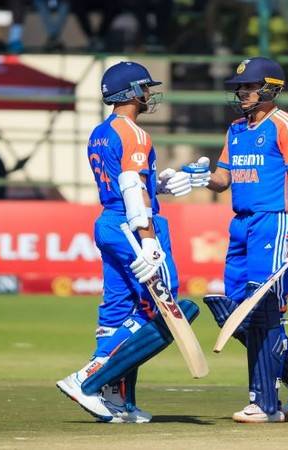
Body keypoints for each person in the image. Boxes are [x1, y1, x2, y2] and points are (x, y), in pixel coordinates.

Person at [56, 61, 210, 423]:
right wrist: (148, 240)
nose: (149, 95)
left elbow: (129, 182)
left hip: (111, 222)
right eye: (145, 89)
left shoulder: (101, 132)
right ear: (129, 93)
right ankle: (88, 379)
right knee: (162, 305)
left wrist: (165, 183)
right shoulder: (135, 134)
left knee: (116, 311)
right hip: (132, 225)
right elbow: (131, 184)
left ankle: (115, 398)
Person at [201, 57, 288, 423]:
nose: (242, 92)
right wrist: (195, 177)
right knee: (233, 308)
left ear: (271, 88)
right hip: (240, 225)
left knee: (262, 310)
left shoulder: (287, 125)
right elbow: (222, 179)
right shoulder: (235, 129)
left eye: (249, 86)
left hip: (272, 224)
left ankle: (265, 402)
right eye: (239, 87)